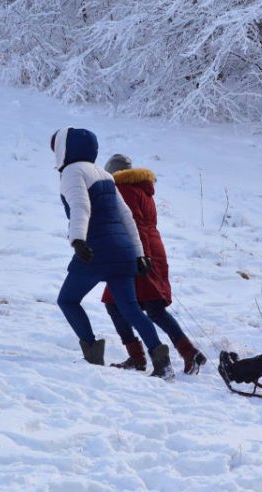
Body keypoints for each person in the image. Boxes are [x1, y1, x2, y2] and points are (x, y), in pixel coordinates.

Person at [50, 127, 174, 379]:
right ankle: (161, 360)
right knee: (130, 308)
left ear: (65, 149)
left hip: (97, 249)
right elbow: (126, 215)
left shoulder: (73, 172)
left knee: (67, 300)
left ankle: (92, 351)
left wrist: (77, 240)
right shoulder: (105, 174)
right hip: (124, 252)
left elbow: (80, 206)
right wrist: (139, 254)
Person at [100, 154, 208, 375]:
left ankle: (139, 356)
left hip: (138, 253)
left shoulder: (124, 190)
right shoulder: (141, 189)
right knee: (152, 308)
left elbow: (136, 225)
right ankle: (188, 352)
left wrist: (142, 256)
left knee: (115, 303)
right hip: (150, 250)